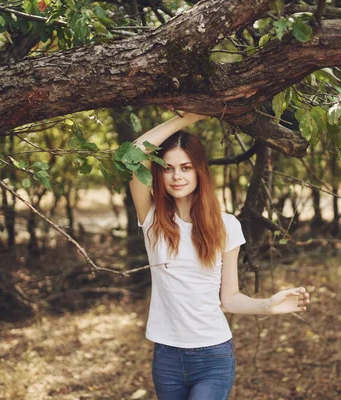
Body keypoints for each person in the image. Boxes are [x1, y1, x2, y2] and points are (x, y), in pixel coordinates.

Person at [129, 112, 310, 400]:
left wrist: (269, 306)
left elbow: (229, 298)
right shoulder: (152, 220)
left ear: (199, 170)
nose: (177, 176)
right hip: (167, 357)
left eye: (186, 167)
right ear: (159, 174)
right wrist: (187, 117)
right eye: (168, 168)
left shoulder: (227, 226)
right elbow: (131, 156)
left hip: (213, 356)